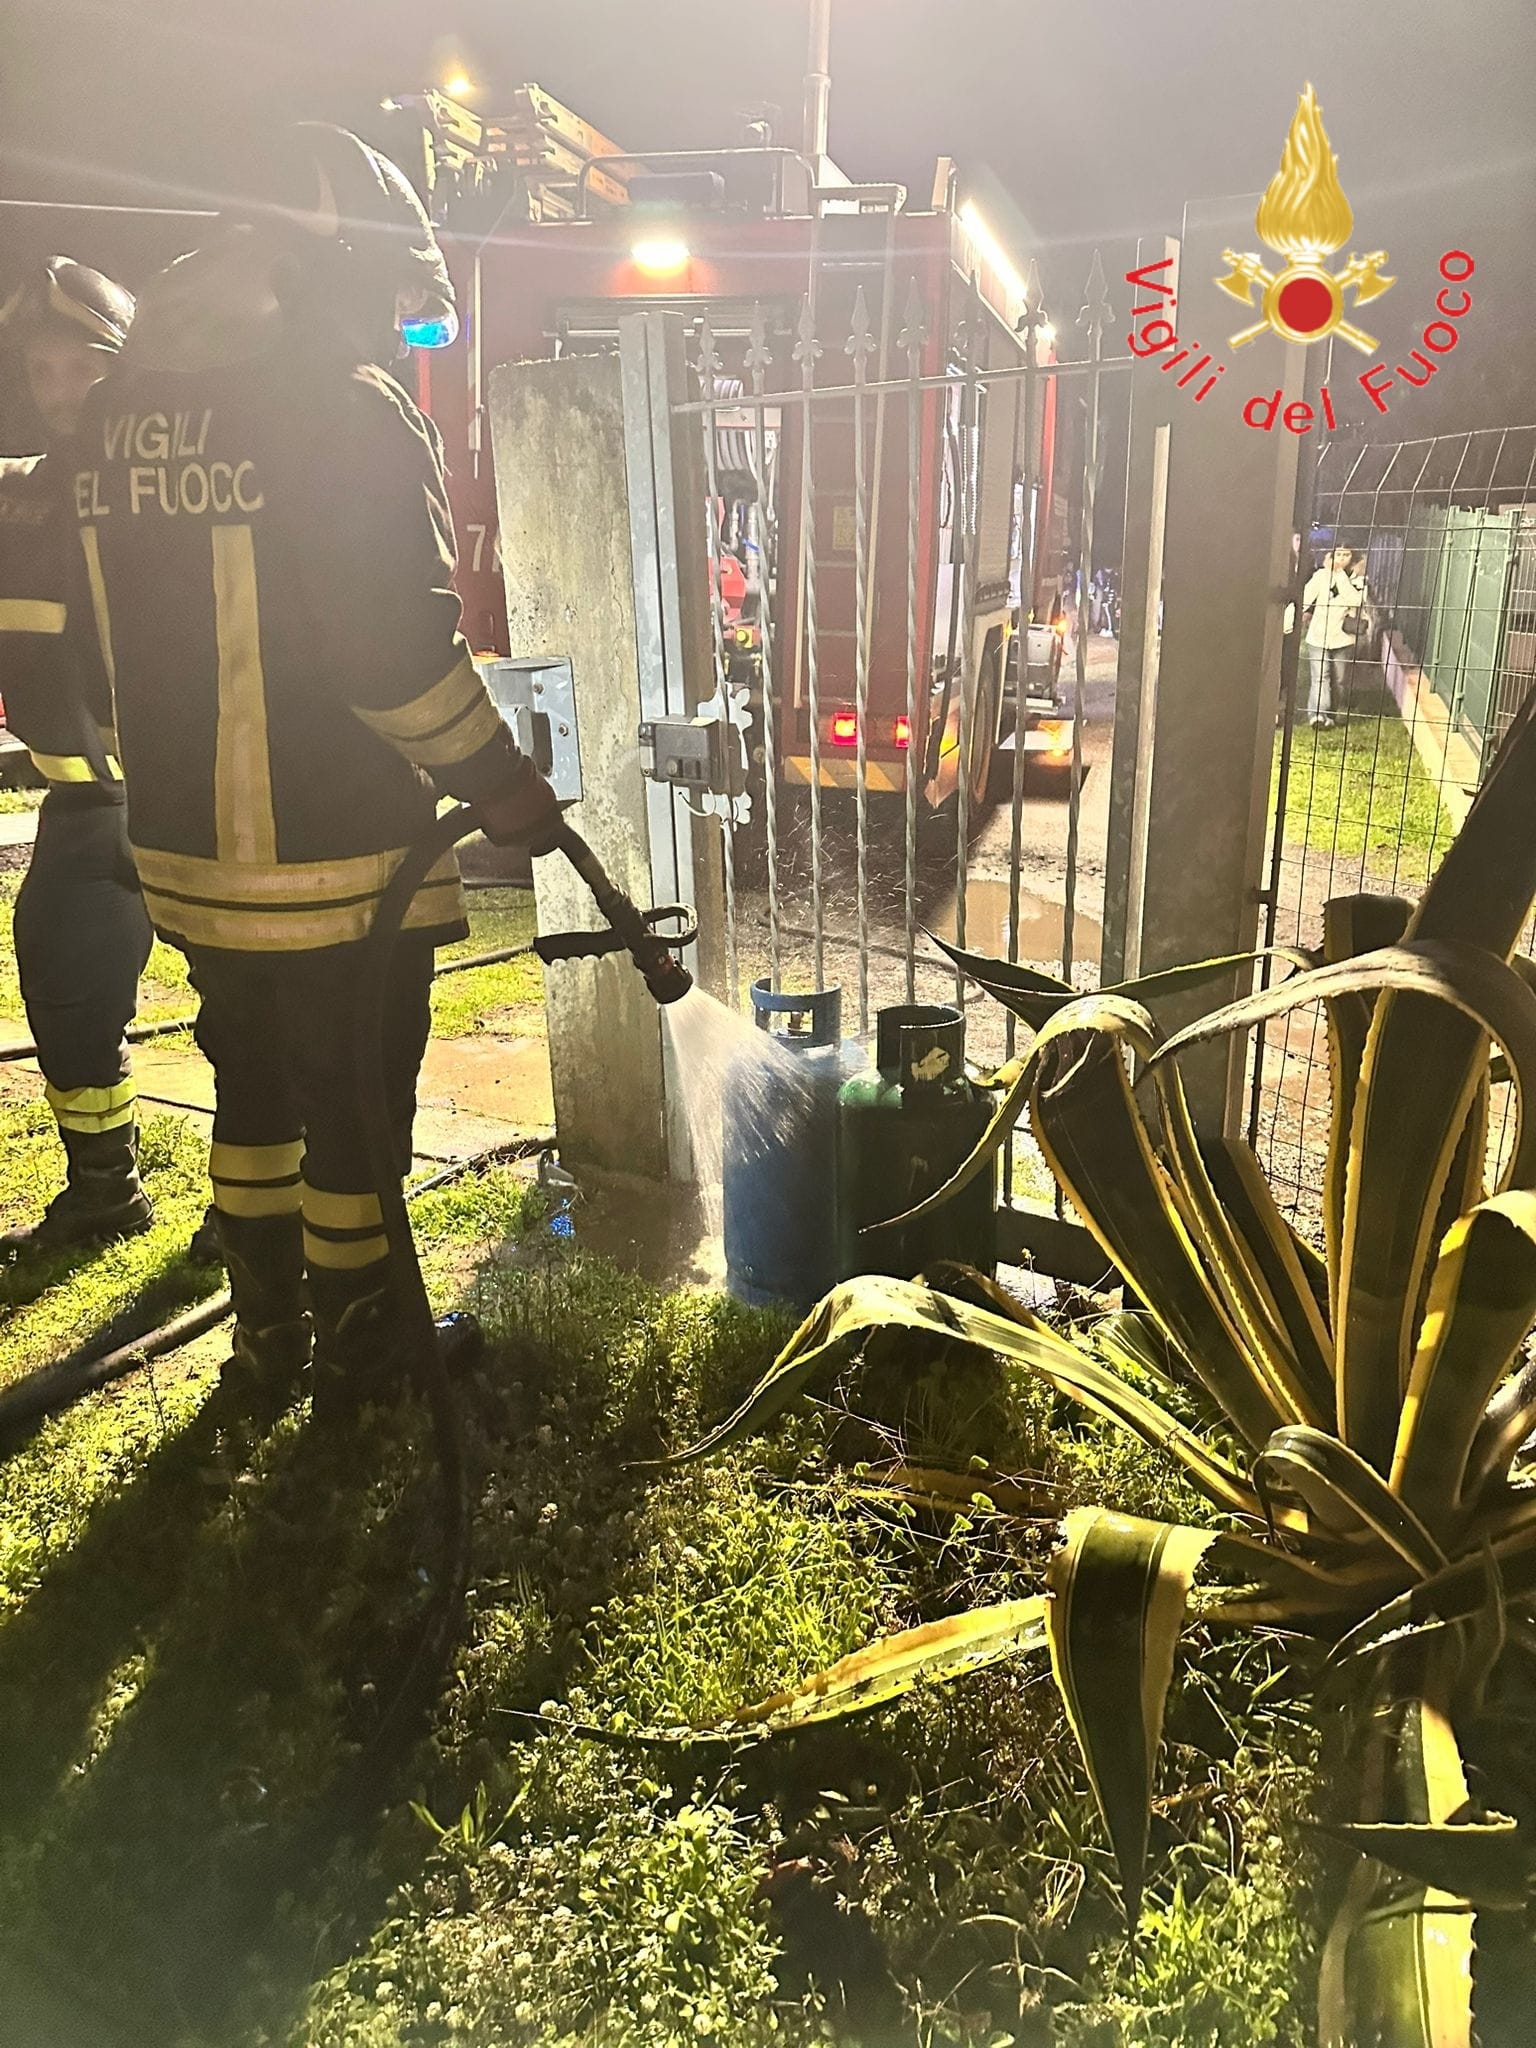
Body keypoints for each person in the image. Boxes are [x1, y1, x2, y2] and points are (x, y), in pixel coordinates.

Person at [68, 125, 559, 1419]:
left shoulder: (119, 417)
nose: (394, 334)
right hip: (333, 858)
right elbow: (393, 652)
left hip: (181, 850)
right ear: (329, 269)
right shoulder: (341, 409)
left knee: (251, 1090)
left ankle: (269, 1335)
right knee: (354, 1115)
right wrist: (502, 781)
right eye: (390, 302)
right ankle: (364, 1342)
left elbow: (102, 643)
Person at [0, 258, 155, 1255]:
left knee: (246, 1011)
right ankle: (106, 1189)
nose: (59, 392)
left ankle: (260, 1209)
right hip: (84, 808)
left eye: (83, 369)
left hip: (191, 799)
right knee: (61, 981)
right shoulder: (19, 495)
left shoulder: (168, 492)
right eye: (40, 370)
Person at [1301, 544, 1367, 731]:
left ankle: (1331, 714)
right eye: (1338, 554)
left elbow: (1355, 600)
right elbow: (1306, 597)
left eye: (1346, 555)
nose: (1342, 559)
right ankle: (1317, 715)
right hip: (1319, 635)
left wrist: (1339, 576)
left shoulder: (1358, 580)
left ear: (1353, 558)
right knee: (1320, 677)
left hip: (1343, 638)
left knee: (1339, 680)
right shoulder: (1321, 576)